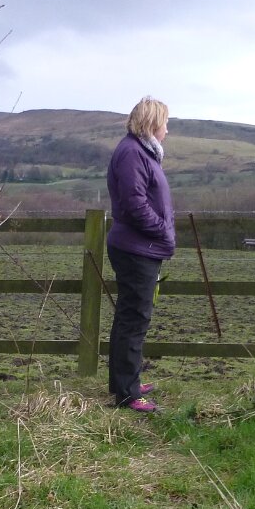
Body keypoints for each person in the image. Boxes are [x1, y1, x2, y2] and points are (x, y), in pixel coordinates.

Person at [106, 96, 175, 412]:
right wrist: (162, 230)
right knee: (134, 319)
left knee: (130, 317)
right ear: (152, 123)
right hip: (137, 248)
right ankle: (128, 393)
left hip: (140, 247)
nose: (167, 130)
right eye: (165, 123)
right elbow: (134, 204)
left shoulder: (139, 151)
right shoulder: (133, 153)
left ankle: (125, 382)